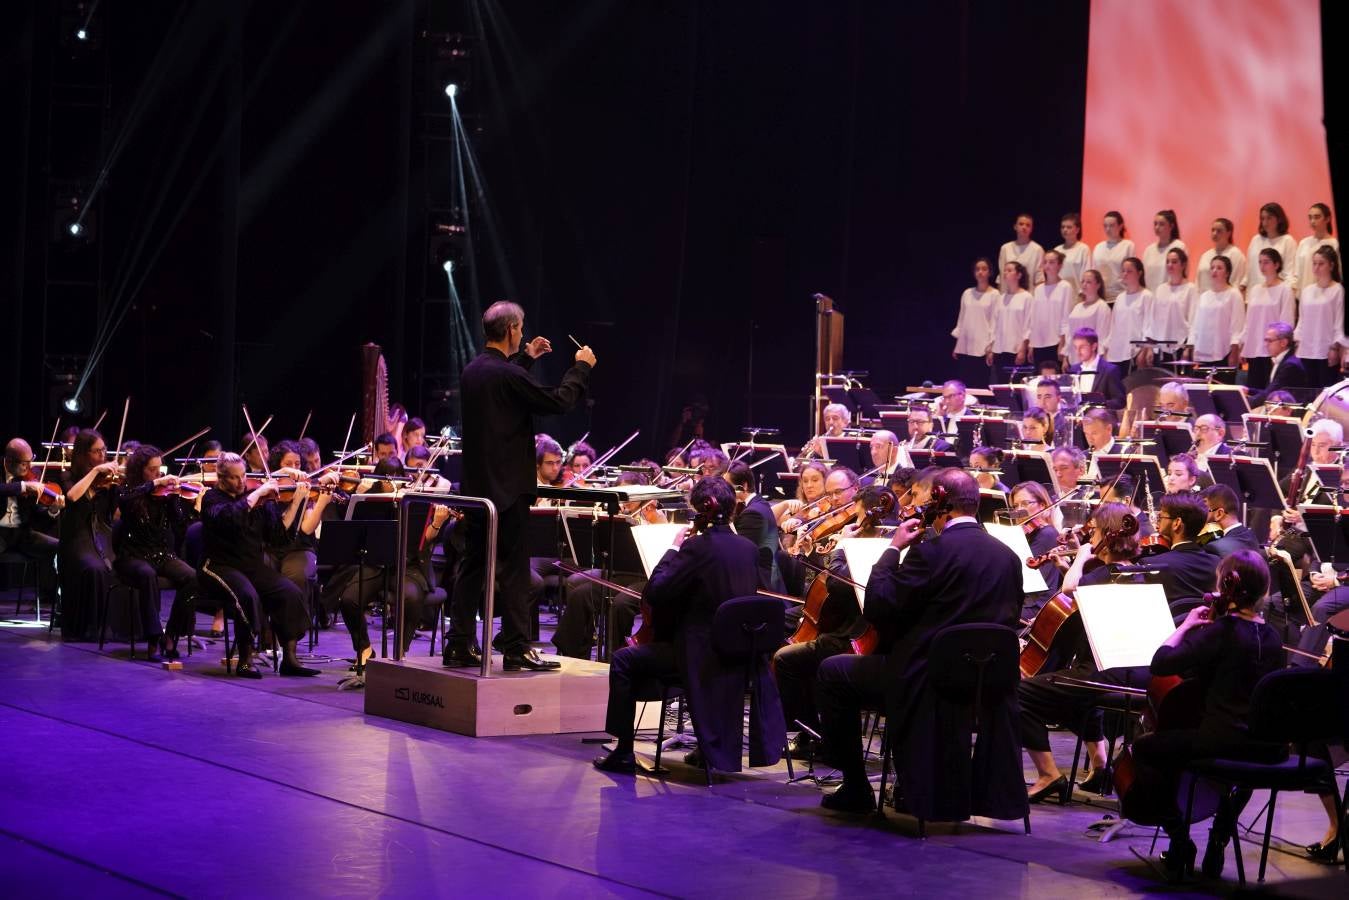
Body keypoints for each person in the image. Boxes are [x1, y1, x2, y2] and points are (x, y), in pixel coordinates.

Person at [812, 469, 1023, 812]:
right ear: (977, 502)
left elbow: (879, 607)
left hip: (927, 678)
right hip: (985, 681)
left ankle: (855, 787)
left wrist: (892, 550)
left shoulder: (930, 553)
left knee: (832, 673)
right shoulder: (1008, 557)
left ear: (940, 504)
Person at [593, 476, 782, 775]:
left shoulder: (696, 548)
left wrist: (672, 550)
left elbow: (656, 592)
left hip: (699, 657)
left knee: (622, 660)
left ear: (701, 509)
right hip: (738, 655)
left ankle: (624, 751)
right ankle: (706, 748)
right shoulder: (747, 549)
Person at [445, 300, 595, 671]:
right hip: (508, 488)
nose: (524, 333)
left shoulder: (474, 371)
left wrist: (526, 359)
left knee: (473, 565)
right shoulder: (505, 375)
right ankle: (515, 646)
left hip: (478, 488)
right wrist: (581, 368)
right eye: (522, 327)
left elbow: (507, 395)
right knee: (514, 570)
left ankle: (458, 644)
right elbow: (556, 401)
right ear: (511, 328)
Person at [1129, 550, 1284, 879]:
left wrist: (1186, 626)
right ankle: (1220, 837)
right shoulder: (1273, 637)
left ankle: (1180, 839)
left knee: (1145, 748)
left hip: (1219, 740)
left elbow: (1161, 664)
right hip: (1265, 746)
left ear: (1225, 584)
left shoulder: (1221, 631)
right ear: (1263, 590)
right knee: (1245, 770)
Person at [1019, 501, 1143, 801]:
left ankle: (1049, 775)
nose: (1091, 538)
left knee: (1018, 692)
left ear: (1107, 536)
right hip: (1131, 675)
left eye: (1095, 532)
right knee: (1074, 698)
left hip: (1100, 674)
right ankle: (1100, 766)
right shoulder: (1136, 573)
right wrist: (1070, 563)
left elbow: (1070, 589)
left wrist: (1083, 555)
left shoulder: (1102, 575)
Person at [198, 452, 316, 678]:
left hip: (250, 566)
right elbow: (230, 519)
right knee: (247, 595)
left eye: (243, 476)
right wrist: (258, 493)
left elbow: (278, 538)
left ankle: (290, 659)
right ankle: (245, 659)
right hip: (217, 566)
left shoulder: (258, 500)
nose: (241, 481)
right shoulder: (212, 499)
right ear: (221, 478)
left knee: (289, 591)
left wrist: (297, 502)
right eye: (234, 478)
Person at [113, 444, 199, 661]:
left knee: (191, 577)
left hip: (161, 553)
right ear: (140, 470)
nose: (158, 473)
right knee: (147, 574)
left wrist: (175, 499)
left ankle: (171, 635)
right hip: (132, 555)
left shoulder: (165, 495)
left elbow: (180, 525)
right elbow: (123, 500)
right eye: (152, 469)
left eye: (159, 469)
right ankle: (153, 639)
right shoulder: (128, 490)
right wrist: (153, 484)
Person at [57, 429, 121, 641]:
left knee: (119, 566)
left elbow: (113, 515)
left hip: (102, 536)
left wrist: (117, 490)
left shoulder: (108, 479)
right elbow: (72, 497)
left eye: (104, 450)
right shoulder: (68, 475)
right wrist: (94, 474)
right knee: (94, 568)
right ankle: (90, 628)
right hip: (77, 537)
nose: (103, 455)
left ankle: (117, 628)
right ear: (84, 453)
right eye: (97, 451)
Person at [0, 438, 62, 611]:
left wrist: (53, 510)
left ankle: (61, 606)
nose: (29, 467)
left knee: (62, 549)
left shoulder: (28, 480)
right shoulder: (22, 482)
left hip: (23, 535)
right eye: (25, 463)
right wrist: (22, 486)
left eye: (31, 461)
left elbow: (36, 516)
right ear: (10, 461)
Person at [1147, 492, 1220, 611]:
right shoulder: (1218, 564)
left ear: (1177, 523)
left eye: (1161, 517)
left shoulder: (1152, 566)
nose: (1157, 522)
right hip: (1209, 628)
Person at [1242, 252, 1298, 393]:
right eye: (1260, 262)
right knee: (1252, 390)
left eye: (1266, 262)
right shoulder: (1255, 290)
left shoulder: (1285, 289)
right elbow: (1249, 320)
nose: (1262, 266)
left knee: (1269, 392)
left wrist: (1281, 345)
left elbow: (1287, 321)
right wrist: (1244, 345)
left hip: (1273, 348)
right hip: (1255, 349)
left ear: (1276, 264)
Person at [1293, 245, 1345, 388]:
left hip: (1326, 351)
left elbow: (1340, 322)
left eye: (1321, 264)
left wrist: (1334, 348)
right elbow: (1302, 321)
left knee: (1325, 392)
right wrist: (1298, 343)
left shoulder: (1338, 290)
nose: (1316, 268)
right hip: (1306, 351)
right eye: (1314, 263)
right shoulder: (1307, 291)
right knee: (1308, 392)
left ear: (1332, 265)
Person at [1187, 256, 1245, 381]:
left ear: (1227, 273)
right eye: (1212, 268)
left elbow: (1237, 325)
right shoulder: (1204, 296)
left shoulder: (1233, 294)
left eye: (1219, 268)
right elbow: (1196, 324)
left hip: (1223, 353)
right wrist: (1190, 347)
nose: (1214, 271)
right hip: (1203, 354)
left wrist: (1234, 352)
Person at [950, 258, 998, 389]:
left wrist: (991, 348)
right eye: (977, 269)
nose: (980, 272)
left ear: (990, 272)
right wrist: (957, 344)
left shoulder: (994, 294)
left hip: (982, 347)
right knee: (965, 383)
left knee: (981, 383)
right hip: (966, 345)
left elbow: (995, 323)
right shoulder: (967, 293)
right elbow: (962, 319)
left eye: (984, 269)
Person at [1148, 248, 1197, 366]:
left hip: (1181, 346)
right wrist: (1150, 347)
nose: (1170, 265)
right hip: (1160, 347)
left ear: (1183, 265)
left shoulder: (1190, 289)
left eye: (1174, 262)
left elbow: (1194, 320)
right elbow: (1153, 320)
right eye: (1168, 261)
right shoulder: (1160, 289)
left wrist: (1188, 348)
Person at [1106, 257, 1152, 370]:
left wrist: (1144, 350)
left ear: (1139, 273)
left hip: (1134, 352)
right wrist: (1107, 349)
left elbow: (1149, 325)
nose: (1125, 274)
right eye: (1123, 271)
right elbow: (1113, 326)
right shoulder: (1120, 298)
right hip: (1116, 353)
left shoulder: (1146, 296)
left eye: (1129, 271)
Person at [1028, 250, 1072, 367]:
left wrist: (1063, 344)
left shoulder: (1065, 287)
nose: (1047, 265)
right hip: (1038, 344)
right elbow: (1034, 318)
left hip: (1055, 342)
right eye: (1045, 262)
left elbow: (1066, 318)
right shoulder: (1038, 289)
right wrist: (1032, 344)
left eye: (1052, 262)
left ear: (1060, 265)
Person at [1244, 202, 1299, 295]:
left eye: (1269, 218)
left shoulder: (1287, 241)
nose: (1265, 222)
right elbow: (1249, 269)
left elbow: (1289, 272)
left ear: (1279, 219)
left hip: (1276, 294)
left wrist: (1287, 294)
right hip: (1255, 293)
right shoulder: (1255, 240)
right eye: (1262, 218)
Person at [1066, 326, 1126, 410]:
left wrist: (1098, 404)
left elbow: (1120, 401)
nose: (1078, 352)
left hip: (1101, 421)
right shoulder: (1073, 370)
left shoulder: (1110, 370)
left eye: (1082, 347)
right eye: (1076, 347)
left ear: (1094, 346)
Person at [991, 261, 1033, 383]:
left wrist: (1023, 349)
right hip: (1000, 349)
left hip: (1016, 349)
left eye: (1009, 270)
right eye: (1005, 270)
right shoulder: (1001, 298)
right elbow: (995, 324)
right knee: (1001, 384)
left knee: (1016, 385)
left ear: (1019, 275)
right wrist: (991, 347)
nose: (1005, 273)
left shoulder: (1026, 297)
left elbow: (1028, 325)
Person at [1062, 270, 1113, 370]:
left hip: (1091, 361)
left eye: (1088, 282)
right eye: (1083, 281)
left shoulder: (1102, 307)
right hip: (1074, 360)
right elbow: (1070, 334)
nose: (1084, 285)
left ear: (1098, 285)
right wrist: (1065, 357)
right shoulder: (1077, 307)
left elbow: (1102, 336)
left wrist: (1099, 360)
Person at [1199, 485, 1259, 557]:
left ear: (1219, 514)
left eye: (1204, 509)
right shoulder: (1251, 535)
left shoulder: (1213, 548)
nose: (1200, 513)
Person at [1295, 203, 1338, 299]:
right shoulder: (1303, 243)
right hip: (1304, 298)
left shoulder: (1334, 244)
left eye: (1317, 217)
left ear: (1327, 219)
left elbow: (1337, 274)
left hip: (1326, 298)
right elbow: (1297, 273)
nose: (1312, 221)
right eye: (1310, 217)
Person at [1142, 209, 1188, 299]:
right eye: (1155, 224)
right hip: (1151, 298)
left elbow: (1183, 274)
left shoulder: (1179, 246)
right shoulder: (1149, 250)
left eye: (1161, 224)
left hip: (1172, 297)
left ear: (1171, 226)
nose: (1157, 227)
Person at [1093, 210, 1135, 301]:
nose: (1108, 229)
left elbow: (1132, 272)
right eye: (1105, 226)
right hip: (1101, 297)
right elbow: (1094, 272)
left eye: (1111, 225)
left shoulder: (1128, 245)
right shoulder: (1098, 247)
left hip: (1121, 296)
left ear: (1120, 226)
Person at [998, 213, 1045, 287]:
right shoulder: (1005, 248)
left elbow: (1039, 278)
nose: (1024, 227)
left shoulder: (1037, 249)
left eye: (1028, 225)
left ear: (1031, 229)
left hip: (1029, 294)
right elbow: (1001, 275)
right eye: (1021, 224)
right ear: (1015, 227)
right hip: (1008, 294)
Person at [1054, 212, 1093, 294]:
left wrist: (1083, 293)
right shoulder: (1057, 250)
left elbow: (1086, 274)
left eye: (1069, 227)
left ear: (1077, 230)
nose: (1065, 230)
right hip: (1058, 294)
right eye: (1063, 227)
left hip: (1076, 296)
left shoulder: (1083, 249)